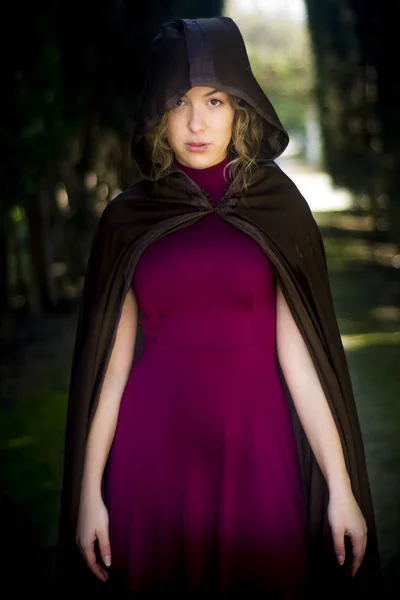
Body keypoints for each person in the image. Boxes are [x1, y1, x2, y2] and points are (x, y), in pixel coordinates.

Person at [55, 16, 383, 599]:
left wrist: (342, 488)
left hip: (259, 455)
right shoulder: (129, 218)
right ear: (158, 111)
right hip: (148, 461)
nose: (197, 121)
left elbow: (301, 359)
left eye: (215, 99)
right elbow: (110, 369)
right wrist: (87, 497)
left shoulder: (278, 209)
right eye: (178, 101)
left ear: (242, 108)